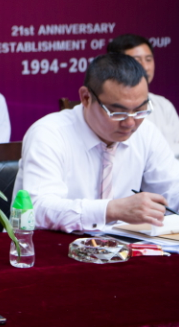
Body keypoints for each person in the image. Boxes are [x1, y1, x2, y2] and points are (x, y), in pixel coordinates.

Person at [13, 53, 179, 233]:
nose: (130, 123)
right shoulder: (49, 133)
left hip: (120, 245)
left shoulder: (146, 132)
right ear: (86, 98)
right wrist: (111, 210)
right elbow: (38, 209)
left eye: (140, 110)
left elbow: (172, 192)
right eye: (117, 113)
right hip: (48, 244)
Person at [107, 34, 179, 157]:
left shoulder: (163, 105)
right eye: (137, 60)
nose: (145, 67)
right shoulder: (107, 108)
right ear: (116, 65)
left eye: (148, 59)